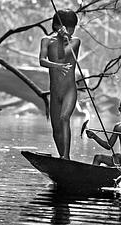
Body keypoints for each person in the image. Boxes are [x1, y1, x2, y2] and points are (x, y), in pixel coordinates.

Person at [39, 9, 81, 160]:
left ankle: (66, 157)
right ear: (57, 26)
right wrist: (55, 66)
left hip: (69, 89)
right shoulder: (46, 40)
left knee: (64, 118)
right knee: (56, 129)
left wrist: (64, 39)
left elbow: (62, 55)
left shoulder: (75, 41)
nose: (71, 31)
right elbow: (42, 61)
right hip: (55, 90)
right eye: (69, 27)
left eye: (73, 27)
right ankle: (62, 158)